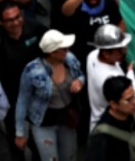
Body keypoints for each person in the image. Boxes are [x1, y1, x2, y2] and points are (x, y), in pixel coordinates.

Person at [0, 0, 47, 161]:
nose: (15, 23)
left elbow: (54, 47)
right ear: (1, 22)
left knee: (40, 141)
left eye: (18, 17)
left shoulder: (36, 28)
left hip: (37, 95)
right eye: (10, 20)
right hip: (12, 98)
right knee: (16, 141)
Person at [14, 30, 86, 161]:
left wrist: (80, 81)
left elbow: (81, 75)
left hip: (66, 119)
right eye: (63, 49)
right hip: (43, 122)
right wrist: (20, 133)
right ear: (53, 53)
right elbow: (22, 100)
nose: (67, 50)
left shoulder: (69, 59)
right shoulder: (32, 71)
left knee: (69, 156)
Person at [87, 76, 135, 161]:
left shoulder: (129, 113)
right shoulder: (102, 139)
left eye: (134, 96)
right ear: (113, 104)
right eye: (128, 100)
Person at [86, 25, 135, 132]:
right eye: (120, 50)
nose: (124, 52)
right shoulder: (110, 78)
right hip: (111, 128)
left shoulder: (92, 56)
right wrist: (130, 72)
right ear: (106, 53)